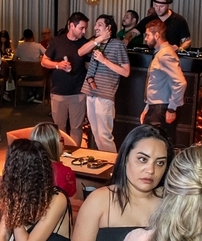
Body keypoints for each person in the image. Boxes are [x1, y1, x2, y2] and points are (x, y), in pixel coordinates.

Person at [82, 14, 132, 153]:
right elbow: (80, 52)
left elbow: (126, 72)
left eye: (99, 24)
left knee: (104, 135)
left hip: (105, 94)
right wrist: (98, 40)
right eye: (95, 24)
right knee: (96, 133)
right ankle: (104, 161)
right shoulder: (95, 42)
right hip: (90, 91)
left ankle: (113, 163)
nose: (95, 27)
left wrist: (104, 61)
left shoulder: (118, 45)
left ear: (108, 28)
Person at [42, 12, 91, 139]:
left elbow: (88, 67)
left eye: (85, 28)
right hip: (58, 92)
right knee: (59, 128)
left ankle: (75, 150)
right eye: (81, 28)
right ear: (71, 26)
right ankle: (61, 150)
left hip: (78, 92)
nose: (84, 31)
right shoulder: (57, 41)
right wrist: (58, 65)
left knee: (76, 128)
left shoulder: (85, 44)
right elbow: (44, 61)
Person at [140, 19, 187, 143]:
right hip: (156, 107)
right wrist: (147, 108)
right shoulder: (161, 53)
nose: (145, 38)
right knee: (152, 145)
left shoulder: (165, 54)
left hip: (161, 109)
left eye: (147, 35)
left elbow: (180, 82)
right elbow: (156, 83)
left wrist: (172, 109)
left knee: (158, 145)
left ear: (157, 35)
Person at [31, 122, 77, 197]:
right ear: (53, 144)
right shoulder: (65, 172)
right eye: (61, 139)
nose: (63, 143)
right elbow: (73, 201)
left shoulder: (28, 169)